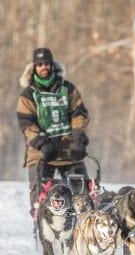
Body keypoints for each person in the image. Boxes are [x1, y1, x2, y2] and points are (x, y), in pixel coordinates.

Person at [17, 48, 90, 217]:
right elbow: (26, 124)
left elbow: (79, 114)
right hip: (41, 152)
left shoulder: (68, 89)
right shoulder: (28, 94)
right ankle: (42, 224)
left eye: (47, 63)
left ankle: (80, 226)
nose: (44, 67)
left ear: (52, 65)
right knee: (40, 196)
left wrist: (78, 139)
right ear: (34, 67)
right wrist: (42, 143)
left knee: (81, 193)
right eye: (40, 64)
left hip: (68, 149)